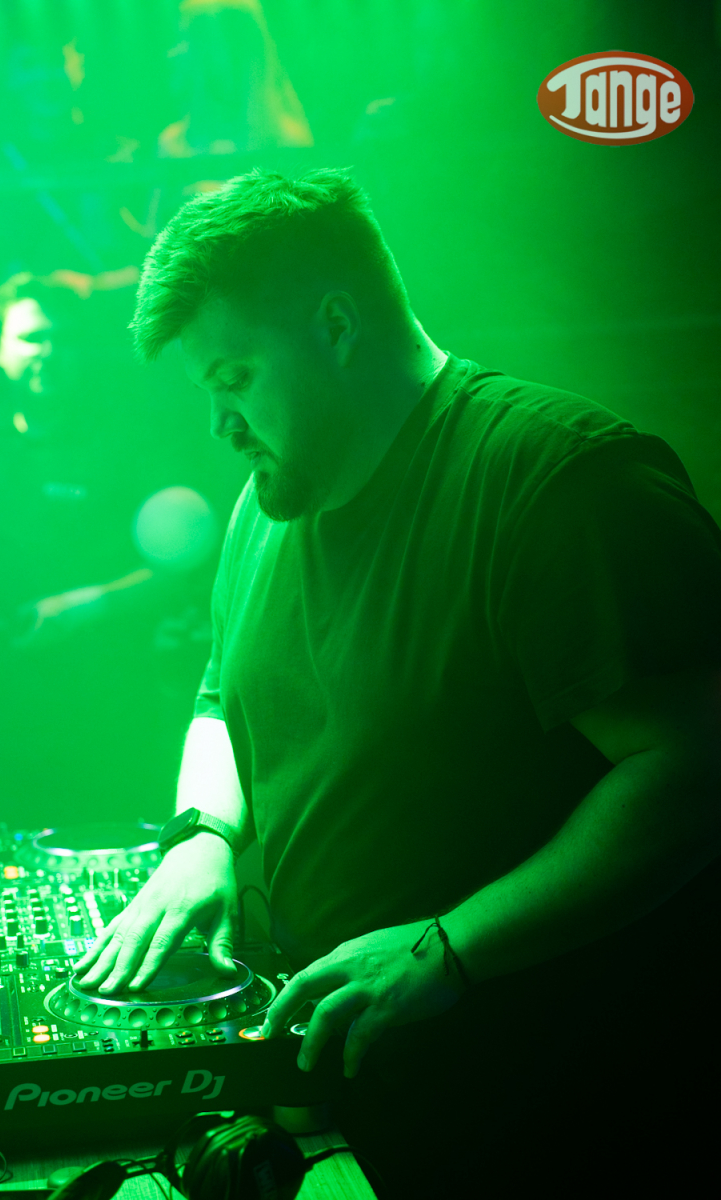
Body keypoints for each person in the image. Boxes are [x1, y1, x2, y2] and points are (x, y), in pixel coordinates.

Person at [74, 167, 721, 1196]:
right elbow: (220, 694)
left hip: (556, 1116)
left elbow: (690, 768)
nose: (220, 425)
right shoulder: (265, 505)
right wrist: (205, 835)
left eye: (234, 377)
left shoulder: (557, 485)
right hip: (371, 1105)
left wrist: (447, 949)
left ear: (336, 326)